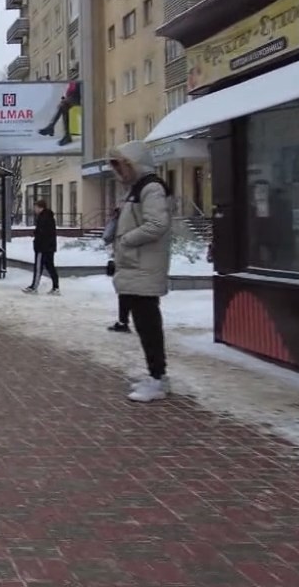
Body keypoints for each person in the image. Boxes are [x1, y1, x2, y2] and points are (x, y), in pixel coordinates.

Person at [109, 141, 174, 403]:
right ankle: (156, 374)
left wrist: (126, 239)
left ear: (133, 163)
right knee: (144, 324)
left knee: (148, 325)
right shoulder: (138, 188)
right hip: (137, 267)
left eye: (120, 165)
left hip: (144, 267)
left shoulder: (150, 188)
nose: (118, 171)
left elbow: (157, 224)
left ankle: (158, 378)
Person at [102, 206, 131, 333]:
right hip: (140, 260)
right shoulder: (139, 221)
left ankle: (123, 321)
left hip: (123, 258)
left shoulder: (118, 220)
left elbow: (107, 236)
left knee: (125, 291)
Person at [24, 199, 60, 295]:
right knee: (50, 266)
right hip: (49, 247)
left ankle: (34, 287)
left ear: (40, 207)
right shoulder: (48, 216)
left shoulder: (43, 218)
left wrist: (37, 241)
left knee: (38, 267)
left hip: (43, 247)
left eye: (35, 207)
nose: (34, 209)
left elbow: (42, 232)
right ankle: (56, 287)